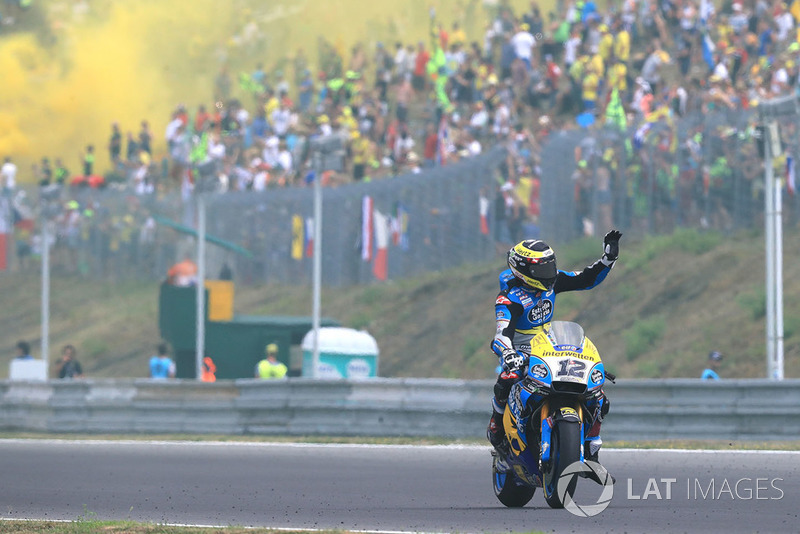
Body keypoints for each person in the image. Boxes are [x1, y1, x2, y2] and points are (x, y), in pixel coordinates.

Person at [487, 230, 622, 475]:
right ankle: (496, 427)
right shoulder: (508, 299)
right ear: (523, 271)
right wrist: (508, 354)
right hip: (520, 353)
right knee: (506, 380)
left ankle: (591, 450)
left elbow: (585, 279)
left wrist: (607, 259)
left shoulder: (554, 282)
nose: (549, 275)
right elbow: (501, 334)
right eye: (542, 270)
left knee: (598, 394)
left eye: (550, 267)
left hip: (550, 346)